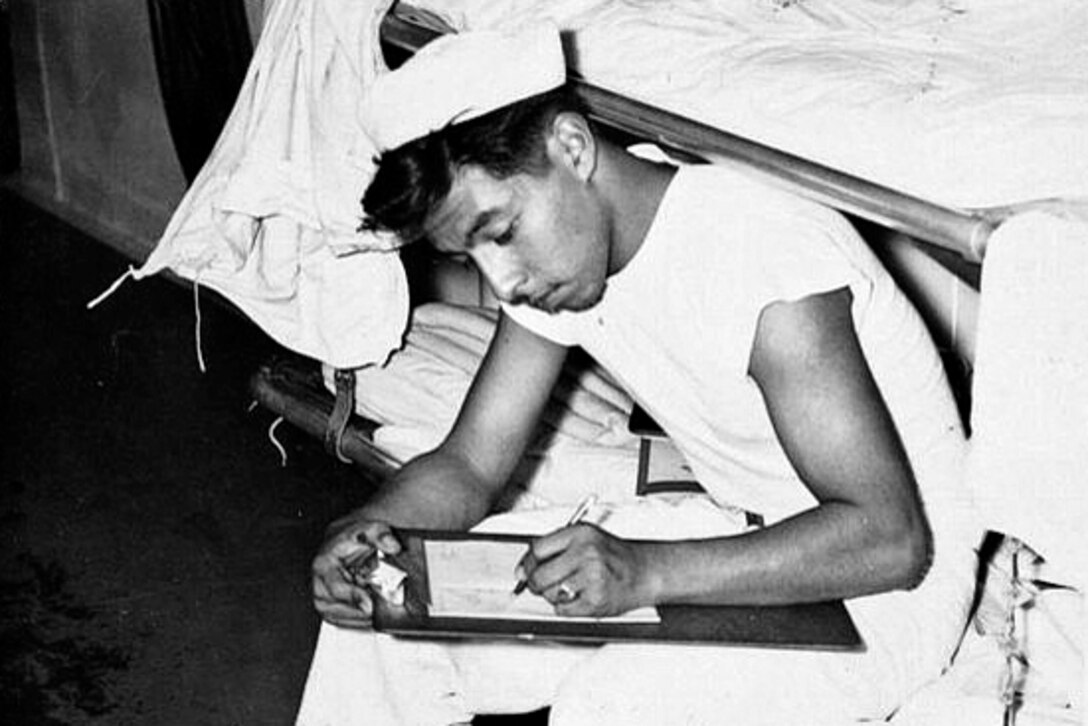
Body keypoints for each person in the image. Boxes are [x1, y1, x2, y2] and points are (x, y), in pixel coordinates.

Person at [297, 24, 981, 726]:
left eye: (499, 233)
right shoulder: (572, 249)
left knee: (610, 706)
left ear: (573, 148)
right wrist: (368, 528)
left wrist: (646, 570)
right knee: (389, 609)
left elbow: (890, 541)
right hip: (737, 537)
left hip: (885, 596)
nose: (503, 282)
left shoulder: (767, 259)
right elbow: (472, 461)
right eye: (473, 258)